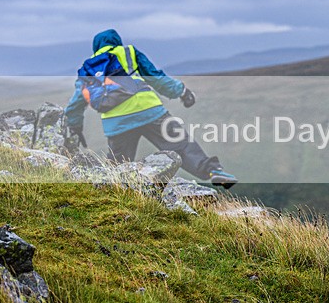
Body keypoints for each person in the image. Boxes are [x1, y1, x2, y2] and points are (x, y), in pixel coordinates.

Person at [65, 29, 238, 188]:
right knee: (182, 145)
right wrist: (182, 91)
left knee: (117, 168)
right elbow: (155, 77)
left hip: (117, 122)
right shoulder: (128, 52)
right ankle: (214, 171)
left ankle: (109, 196)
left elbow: (76, 103)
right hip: (150, 111)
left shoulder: (88, 68)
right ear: (117, 42)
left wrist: (75, 126)